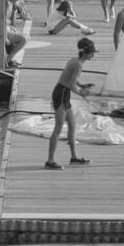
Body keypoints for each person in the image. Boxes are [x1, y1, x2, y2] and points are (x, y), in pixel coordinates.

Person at [45, 37, 97, 169]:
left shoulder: (74, 60)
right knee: (58, 128)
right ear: (85, 53)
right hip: (62, 93)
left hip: (63, 92)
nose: (92, 56)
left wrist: (83, 85)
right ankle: (50, 161)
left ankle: (74, 157)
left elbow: (72, 80)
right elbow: (71, 84)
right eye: (92, 53)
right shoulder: (78, 65)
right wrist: (82, 93)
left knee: (72, 126)